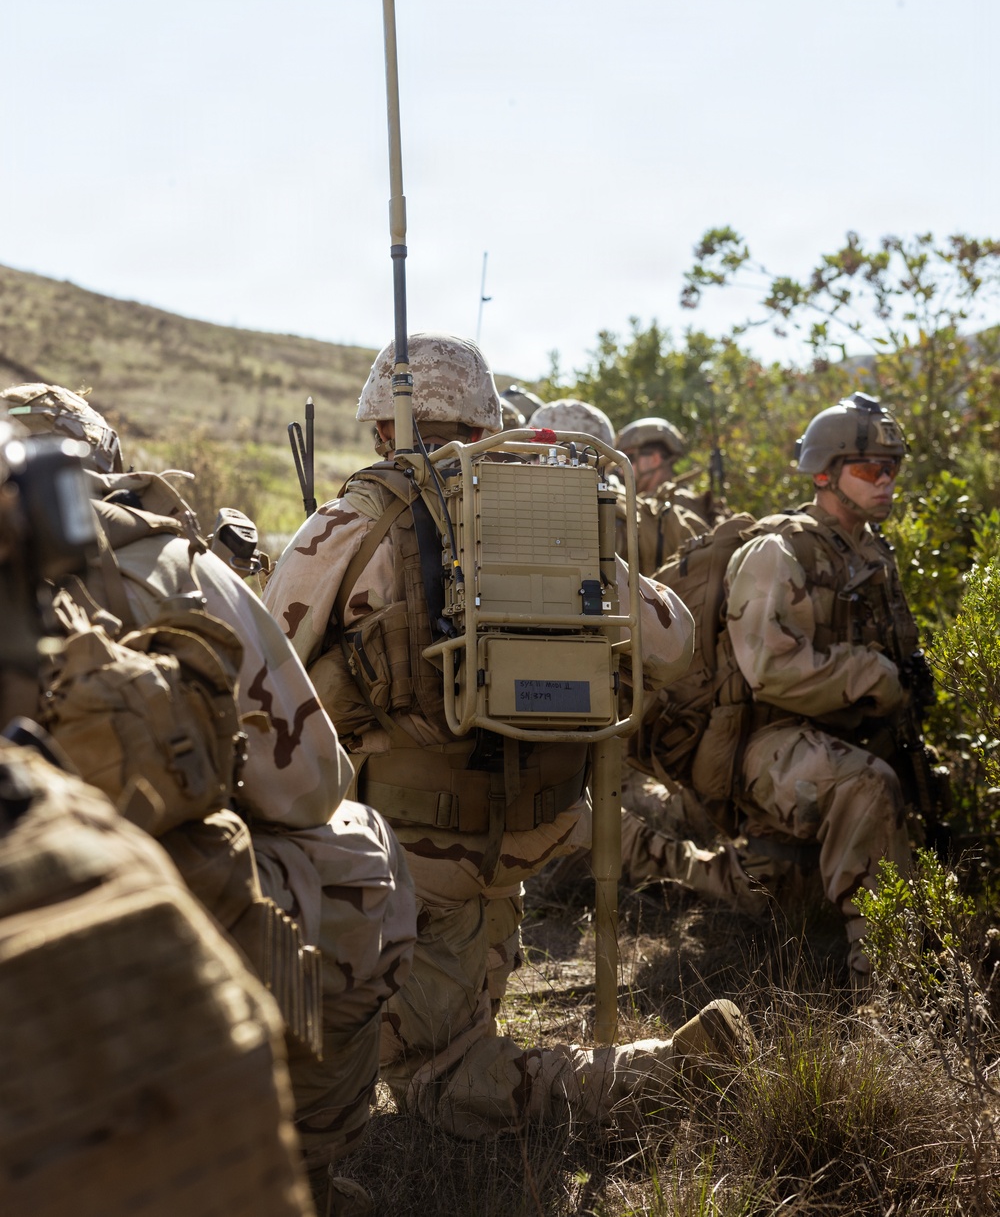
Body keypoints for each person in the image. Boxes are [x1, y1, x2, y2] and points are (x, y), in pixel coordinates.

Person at [264, 332, 752, 1138]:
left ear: (385, 425)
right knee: (451, 989)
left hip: (414, 846)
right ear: (486, 419)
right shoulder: (556, 518)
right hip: (537, 826)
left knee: (428, 1074)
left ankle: (666, 1072)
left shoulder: (351, 522)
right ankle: (463, 1000)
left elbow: (273, 675)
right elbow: (673, 638)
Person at [1, 383, 417, 1208]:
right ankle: (306, 1161)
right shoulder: (163, 561)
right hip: (139, 924)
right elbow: (308, 787)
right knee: (360, 852)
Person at [631, 393, 919, 977]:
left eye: (892, 468)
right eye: (869, 468)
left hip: (826, 736)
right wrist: (871, 675)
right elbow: (770, 667)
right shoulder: (778, 551)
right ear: (824, 474)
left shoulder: (871, 555)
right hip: (761, 741)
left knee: (778, 892)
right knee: (867, 789)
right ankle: (892, 986)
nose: (885, 481)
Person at [616, 418, 711, 575]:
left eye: (629, 458)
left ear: (654, 459)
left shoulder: (680, 502)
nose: (621, 469)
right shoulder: (647, 501)